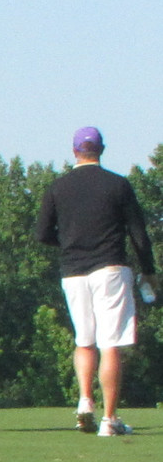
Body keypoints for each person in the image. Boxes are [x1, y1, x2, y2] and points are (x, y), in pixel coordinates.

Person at [34, 127, 153, 436]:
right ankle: (110, 419)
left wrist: (71, 243)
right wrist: (150, 271)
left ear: (74, 151)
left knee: (84, 340)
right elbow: (139, 235)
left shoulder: (58, 188)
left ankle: (85, 401)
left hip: (73, 272)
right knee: (110, 343)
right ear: (102, 149)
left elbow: (42, 234)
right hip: (110, 268)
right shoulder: (118, 185)